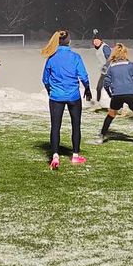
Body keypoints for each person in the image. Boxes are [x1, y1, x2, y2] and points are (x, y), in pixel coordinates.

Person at [41, 30, 91, 169]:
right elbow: (83, 76)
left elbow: (45, 79)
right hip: (73, 96)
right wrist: (87, 88)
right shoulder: (75, 57)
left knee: (55, 127)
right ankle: (75, 155)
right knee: (76, 125)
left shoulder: (51, 58)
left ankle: (55, 156)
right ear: (68, 41)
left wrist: (49, 90)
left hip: (56, 97)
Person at [94, 44, 133, 147]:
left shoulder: (111, 67)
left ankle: (101, 137)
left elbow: (106, 83)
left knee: (111, 115)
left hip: (117, 94)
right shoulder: (130, 65)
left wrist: (111, 94)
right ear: (125, 53)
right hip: (130, 93)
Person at [92, 37, 112, 104]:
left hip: (109, 72)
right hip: (104, 72)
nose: (96, 42)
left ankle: (117, 104)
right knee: (100, 88)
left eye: (98, 40)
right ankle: (98, 103)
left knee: (105, 88)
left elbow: (110, 58)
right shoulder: (99, 48)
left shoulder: (105, 47)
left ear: (101, 41)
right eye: (94, 41)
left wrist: (106, 66)